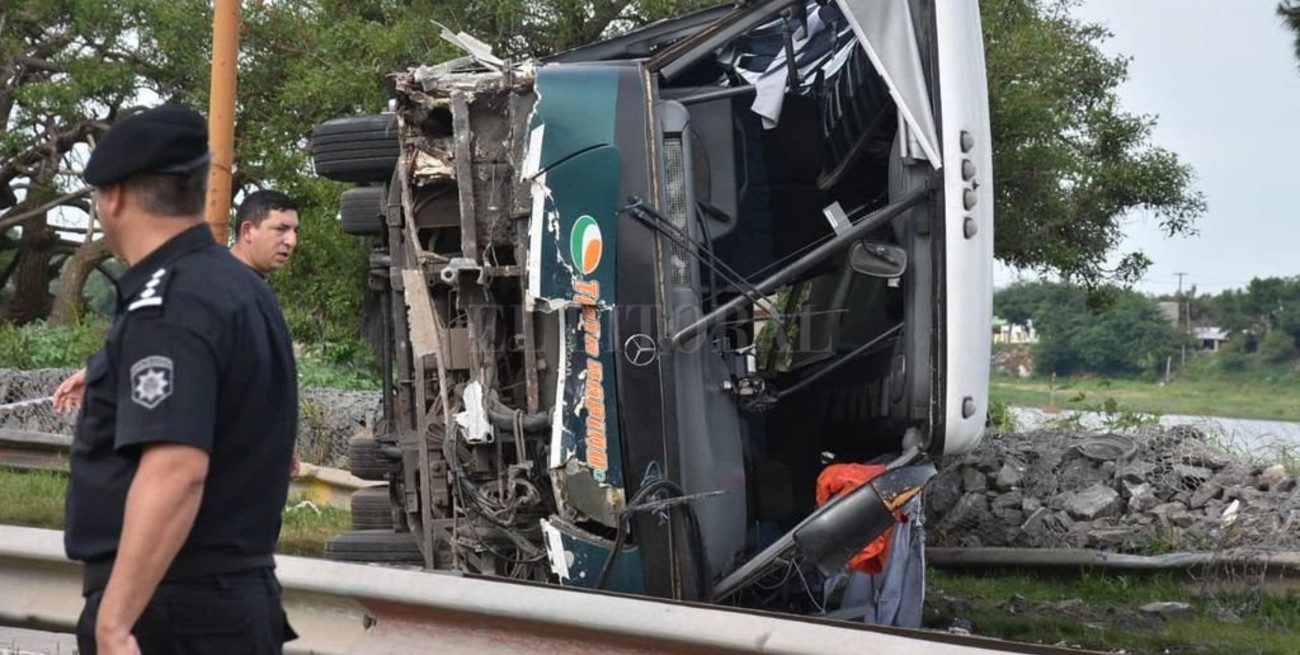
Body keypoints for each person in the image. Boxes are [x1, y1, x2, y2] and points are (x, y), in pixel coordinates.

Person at [62, 104, 299, 655]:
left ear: (114, 195)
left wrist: (116, 623)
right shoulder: (240, 290)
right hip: (232, 597)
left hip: (172, 608)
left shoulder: (168, 300)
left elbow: (176, 470)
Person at [230, 189, 300, 276]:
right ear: (247, 231)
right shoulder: (222, 282)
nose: (292, 242)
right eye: (280, 229)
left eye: (295, 231)